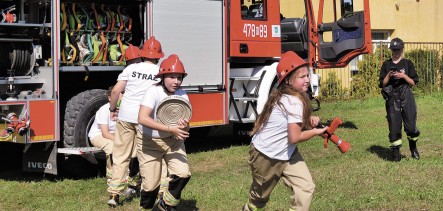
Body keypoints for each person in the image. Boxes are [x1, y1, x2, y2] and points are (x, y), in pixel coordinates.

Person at [243, 51, 328, 211]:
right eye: (302, 77)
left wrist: (310, 121)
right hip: (266, 156)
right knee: (259, 199)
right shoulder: (293, 100)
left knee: (305, 187)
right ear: (288, 80)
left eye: (307, 75)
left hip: (288, 154)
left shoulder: (294, 96)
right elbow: (295, 137)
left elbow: (294, 123)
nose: (307, 80)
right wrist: (316, 132)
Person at [107, 36, 164, 207]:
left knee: (120, 156)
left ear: (143, 53)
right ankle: (151, 193)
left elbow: (116, 90)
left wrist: (112, 109)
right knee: (146, 156)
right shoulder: (160, 71)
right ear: (159, 56)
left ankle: (114, 195)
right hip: (145, 119)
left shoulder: (131, 69)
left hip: (125, 117)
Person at [137, 54, 191, 210]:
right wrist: (170, 128)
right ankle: (146, 208)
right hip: (149, 142)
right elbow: (142, 118)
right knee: (150, 186)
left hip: (173, 141)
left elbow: (186, 123)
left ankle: (165, 204)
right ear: (162, 76)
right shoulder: (153, 92)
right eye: (172, 77)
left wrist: (184, 127)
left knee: (183, 174)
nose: (176, 81)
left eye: (179, 77)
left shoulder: (182, 94)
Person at [379, 37, 420, 162]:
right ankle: (396, 152)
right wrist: (389, 75)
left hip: (406, 93)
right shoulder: (387, 64)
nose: (396, 52)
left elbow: (413, 82)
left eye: (399, 49)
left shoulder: (408, 63)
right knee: (394, 125)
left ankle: (413, 147)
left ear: (402, 49)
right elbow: (382, 84)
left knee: (411, 124)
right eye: (394, 50)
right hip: (392, 95)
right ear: (391, 50)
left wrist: (403, 76)